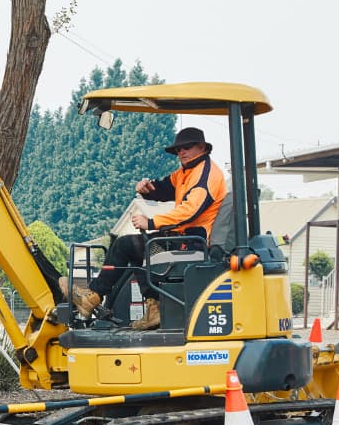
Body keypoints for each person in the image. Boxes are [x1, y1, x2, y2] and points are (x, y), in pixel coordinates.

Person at [66, 126, 227, 331]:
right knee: (136, 249)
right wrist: (147, 190)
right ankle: (150, 306)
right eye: (177, 150)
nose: (181, 153)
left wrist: (151, 222)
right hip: (182, 239)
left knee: (130, 246)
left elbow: (191, 211)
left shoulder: (207, 174)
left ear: (202, 147)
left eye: (186, 147)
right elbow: (164, 188)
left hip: (193, 243)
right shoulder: (185, 173)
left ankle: (95, 297)